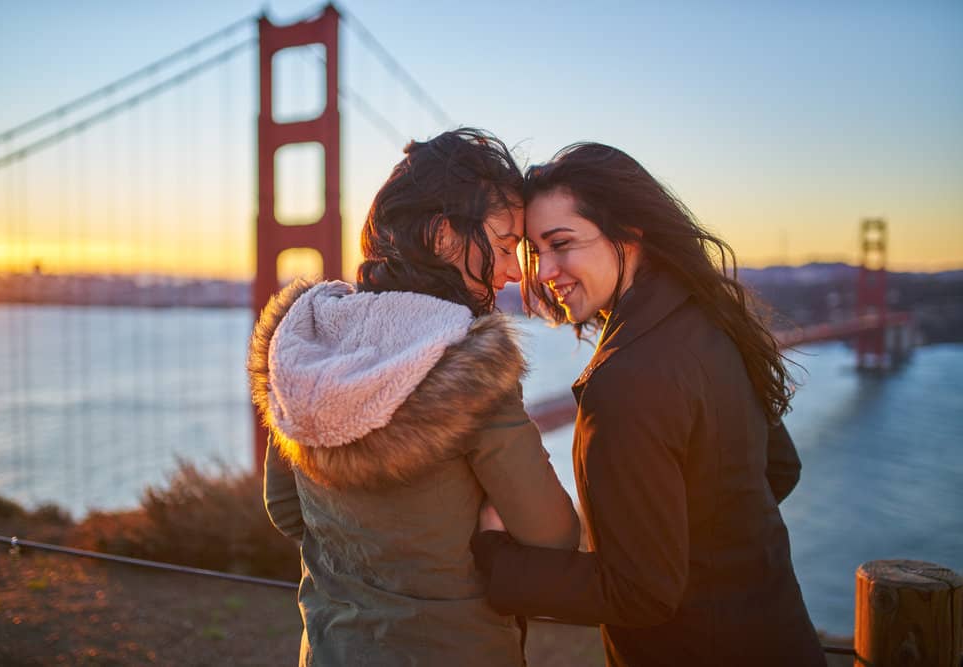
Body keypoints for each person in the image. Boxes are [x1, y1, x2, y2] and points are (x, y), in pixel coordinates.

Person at [471, 143, 827, 667]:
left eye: (561, 244)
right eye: (535, 251)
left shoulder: (627, 379)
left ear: (629, 233)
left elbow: (640, 593)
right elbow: (779, 468)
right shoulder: (712, 320)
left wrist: (497, 562)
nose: (543, 272)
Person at [248, 128, 580, 666]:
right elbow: (552, 537)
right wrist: (490, 527)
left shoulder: (308, 344)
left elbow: (286, 510)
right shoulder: (470, 364)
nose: (513, 271)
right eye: (502, 246)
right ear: (442, 235)